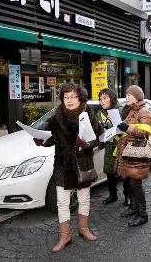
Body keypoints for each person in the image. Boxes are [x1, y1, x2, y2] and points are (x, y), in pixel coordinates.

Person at [34, 83, 103, 252]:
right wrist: (42, 141)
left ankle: (83, 229)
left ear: (80, 98)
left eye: (73, 97)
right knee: (62, 202)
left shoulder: (88, 113)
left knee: (84, 198)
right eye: (66, 97)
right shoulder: (57, 115)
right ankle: (65, 236)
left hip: (82, 164)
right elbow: (52, 139)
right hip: (62, 164)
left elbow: (100, 138)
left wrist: (87, 144)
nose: (69, 100)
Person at [115, 85, 151, 227]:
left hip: (137, 153)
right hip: (127, 151)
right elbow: (125, 127)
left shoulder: (145, 112)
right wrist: (119, 129)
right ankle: (133, 208)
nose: (126, 98)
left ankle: (143, 214)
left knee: (136, 183)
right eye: (126, 95)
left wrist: (128, 128)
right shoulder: (131, 110)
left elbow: (145, 133)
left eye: (129, 95)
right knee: (130, 182)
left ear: (137, 96)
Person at [97, 88, 122, 205]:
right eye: (100, 99)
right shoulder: (100, 113)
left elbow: (125, 128)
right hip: (109, 145)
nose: (102, 101)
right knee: (109, 171)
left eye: (105, 98)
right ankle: (113, 195)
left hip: (121, 145)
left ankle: (128, 196)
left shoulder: (120, 110)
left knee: (123, 172)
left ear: (111, 98)